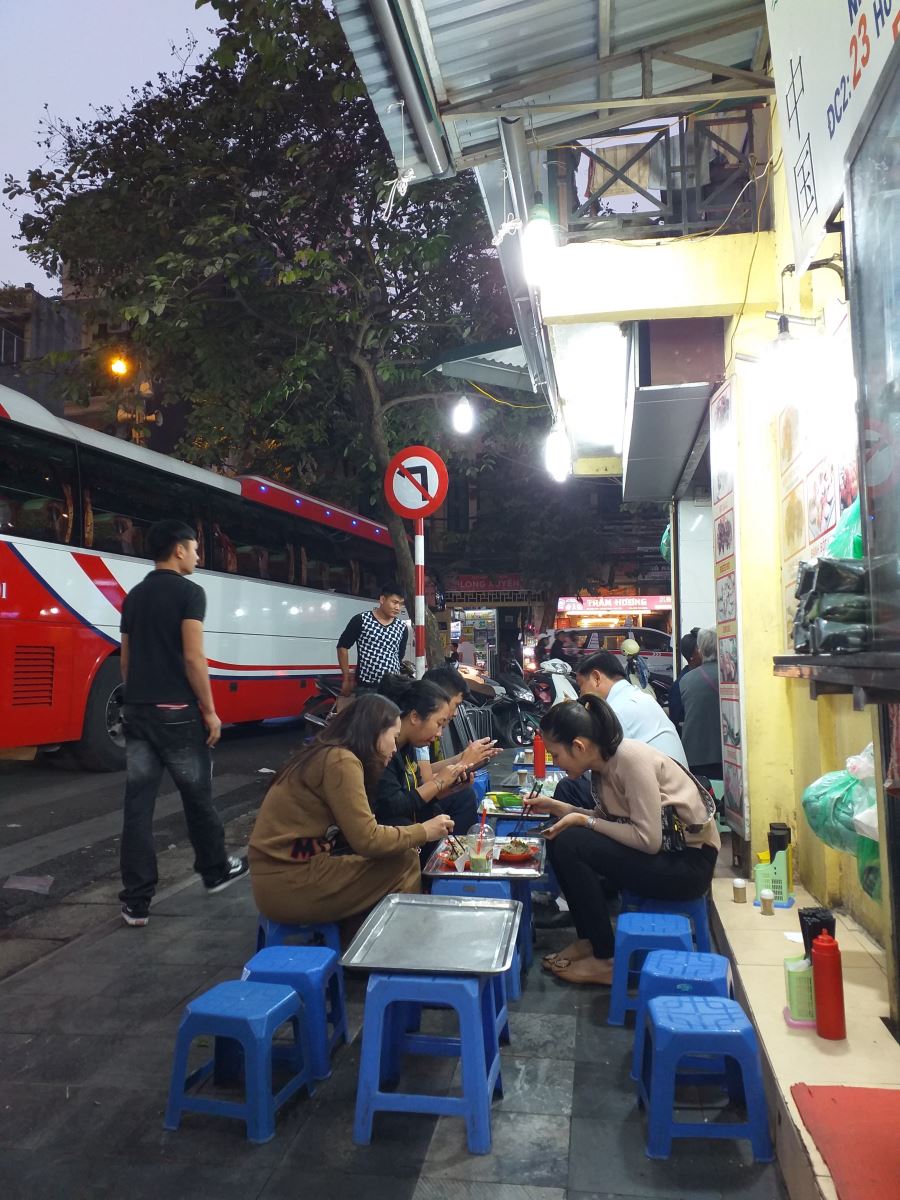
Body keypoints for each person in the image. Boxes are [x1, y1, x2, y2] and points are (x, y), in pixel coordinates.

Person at [529, 696, 720, 985]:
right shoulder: (605, 764)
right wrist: (560, 809)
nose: (555, 762)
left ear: (578, 746)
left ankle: (605, 959)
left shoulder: (630, 759)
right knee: (564, 836)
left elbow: (647, 839)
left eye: (556, 755)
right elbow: (613, 819)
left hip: (688, 866)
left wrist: (584, 820)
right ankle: (588, 941)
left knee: (571, 841)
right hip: (666, 856)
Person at [118, 519, 246, 927]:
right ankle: (214, 870)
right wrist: (209, 711)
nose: (197, 555)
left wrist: (138, 697)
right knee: (196, 795)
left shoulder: (134, 596)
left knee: (137, 806)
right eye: (194, 548)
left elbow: (126, 658)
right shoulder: (190, 593)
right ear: (178, 549)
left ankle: (136, 903)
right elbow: (194, 658)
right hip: (177, 712)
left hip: (138, 709)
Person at [248, 695, 453, 937]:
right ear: (375, 733)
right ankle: (390, 948)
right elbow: (368, 840)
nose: (395, 748)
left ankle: (361, 941)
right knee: (404, 860)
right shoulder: (340, 761)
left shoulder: (330, 754)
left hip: (281, 875)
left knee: (398, 852)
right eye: (393, 737)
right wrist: (424, 832)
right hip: (289, 881)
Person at [553, 649, 687, 812]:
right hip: (671, 792)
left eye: (581, 686)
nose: (580, 694)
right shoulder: (635, 697)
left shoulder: (617, 711)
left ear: (596, 678)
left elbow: (597, 763)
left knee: (568, 788)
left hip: (664, 806)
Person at [374, 676, 480, 838]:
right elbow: (392, 806)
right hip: (386, 826)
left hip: (405, 814)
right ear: (415, 717)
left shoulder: (408, 746)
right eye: (439, 724)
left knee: (464, 796)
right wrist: (439, 782)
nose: (439, 734)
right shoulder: (385, 748)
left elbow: (413, 795)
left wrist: (450, 787)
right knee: (405, 822)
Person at [416, 665, 501, 796]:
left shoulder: (423, 726)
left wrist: (463, 758)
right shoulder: (420, 729)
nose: (456, 713)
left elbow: (425, 772)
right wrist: (464, 764)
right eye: (456, 705)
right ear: (440, 697)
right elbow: (425, 783)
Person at [337, 582, 409, 696]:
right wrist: (346, 678)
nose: (398, 608)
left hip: (392, 688)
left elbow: (399, 655)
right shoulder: (361, 620)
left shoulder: (402, 627)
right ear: (382, 599)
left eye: (401, 604)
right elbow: (342, 647)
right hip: (367, 688)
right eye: (394, 602)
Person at [679, 628, 723, 780]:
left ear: (701, 649)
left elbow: (679, 715)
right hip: (727, 754)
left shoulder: (686, 680)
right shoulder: (732, 675)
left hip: (696, 755)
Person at [667, 629, 701, 730]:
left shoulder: (702, 675)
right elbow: (676, 719)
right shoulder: (680, 684)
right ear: (691, 656)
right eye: (699, 648)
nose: (704, 651)